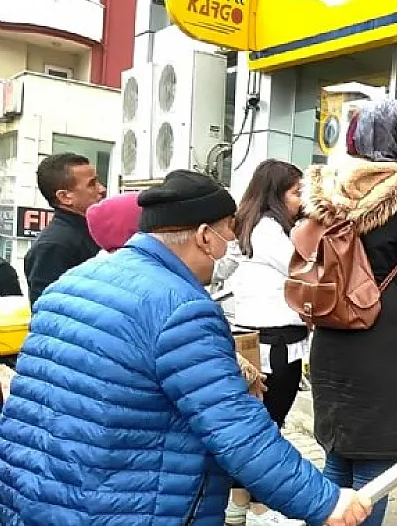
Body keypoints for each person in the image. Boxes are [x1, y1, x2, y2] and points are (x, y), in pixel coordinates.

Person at [0, 170, 369, 526]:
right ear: (205, 236)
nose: (232, 245)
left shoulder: (70, 283)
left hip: (32, 498)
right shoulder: (182, 309)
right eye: (229, 232)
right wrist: (324, 501)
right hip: (126, 507)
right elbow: (237, 430)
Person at [307, 99, 397, 526]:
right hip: (386, 341)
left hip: (332, 336)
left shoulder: (326, 189)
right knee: (374, 469)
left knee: (337, 458)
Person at [221, 159, 310, 526]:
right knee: (267, 426)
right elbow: (302, 268)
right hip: (276, 342)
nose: (302, 199)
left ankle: (238, 503)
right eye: (296, 192)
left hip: (254, 337)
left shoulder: (247, 225)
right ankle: (259, 507)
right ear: (276, 194)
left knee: (256, 423)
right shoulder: (269, 230)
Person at [23, 152, 106, 304]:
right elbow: (48, 309)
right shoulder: (53, 246)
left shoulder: (92, 231)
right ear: (65, 197)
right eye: (92, 184)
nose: (102, 189)